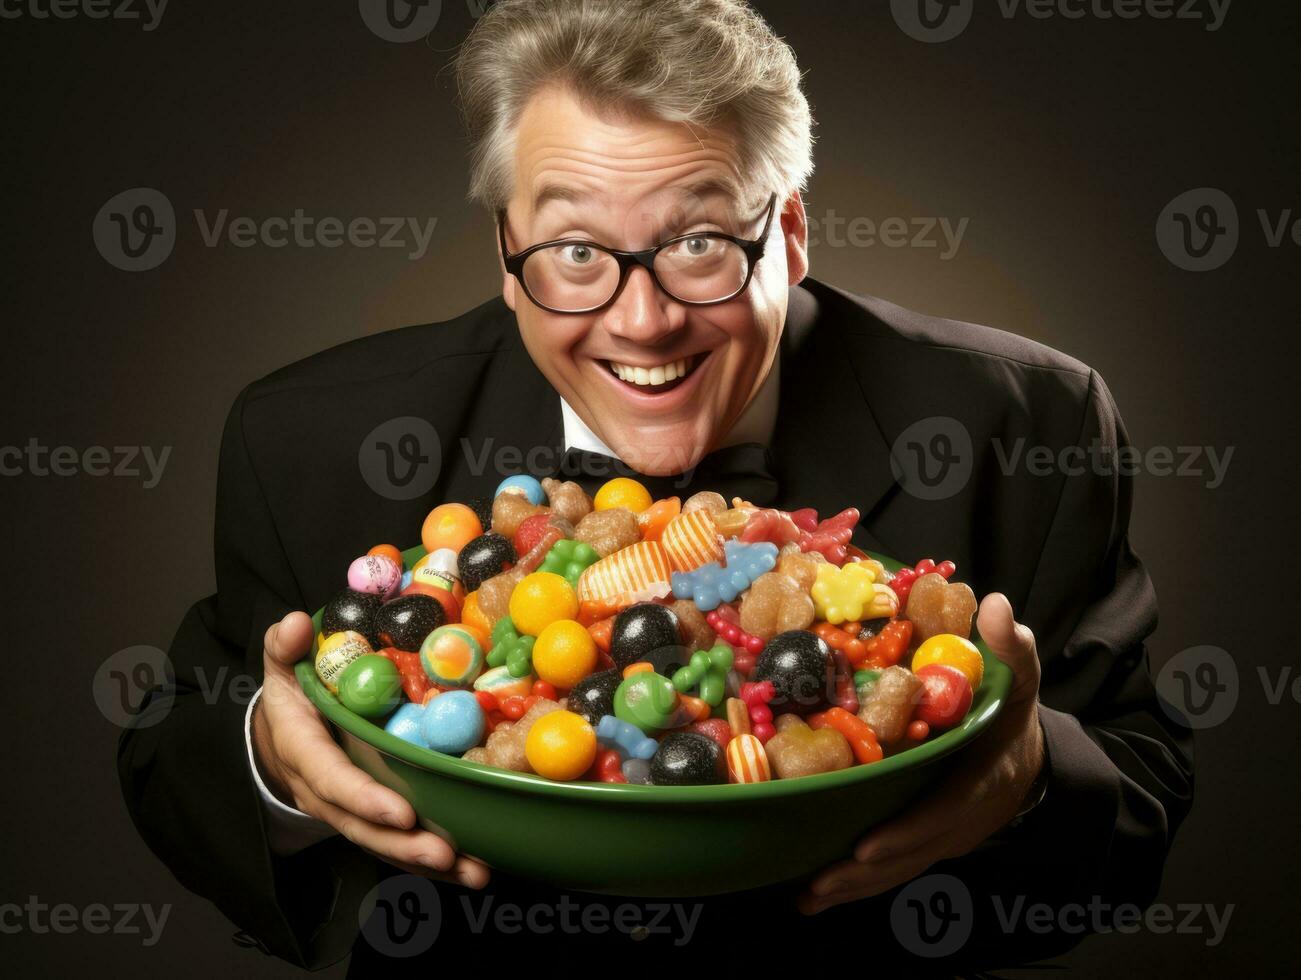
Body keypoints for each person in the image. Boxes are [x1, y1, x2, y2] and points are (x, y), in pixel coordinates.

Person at [119, 0, 1193, 970]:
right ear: (505, 252)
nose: (643, 321)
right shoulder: (306, 434)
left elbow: (1140, 783)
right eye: (575, 249)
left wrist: (1028, 777)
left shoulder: (1027, 423)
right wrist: (271, 747)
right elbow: (174, 756)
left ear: (791, 232)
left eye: (696, 241)